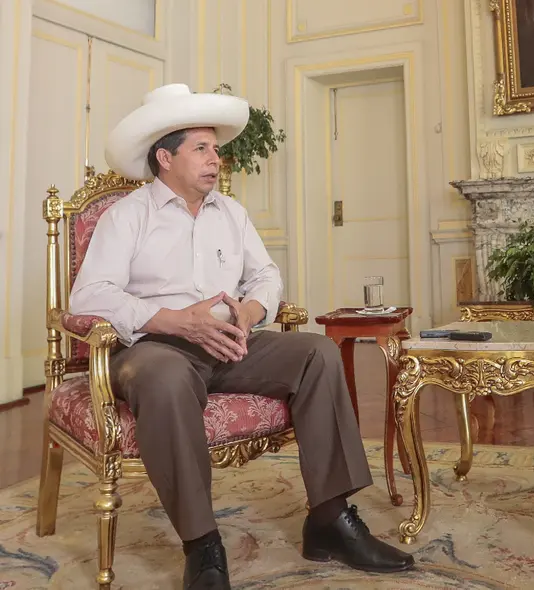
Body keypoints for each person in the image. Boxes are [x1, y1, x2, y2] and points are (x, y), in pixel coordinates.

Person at [69, 83, 415, 590]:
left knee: (317, 353)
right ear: (165, 157)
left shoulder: (231, 213)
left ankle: (330, 519)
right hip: (152, 349)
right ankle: (202, 546)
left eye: (217, 150)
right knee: (164, 377)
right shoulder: (127, 216)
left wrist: (250, 314)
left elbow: (267, 277)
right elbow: (89, 297)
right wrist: (175, 320)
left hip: (231, 343)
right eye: (202, 149)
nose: (217, 161)